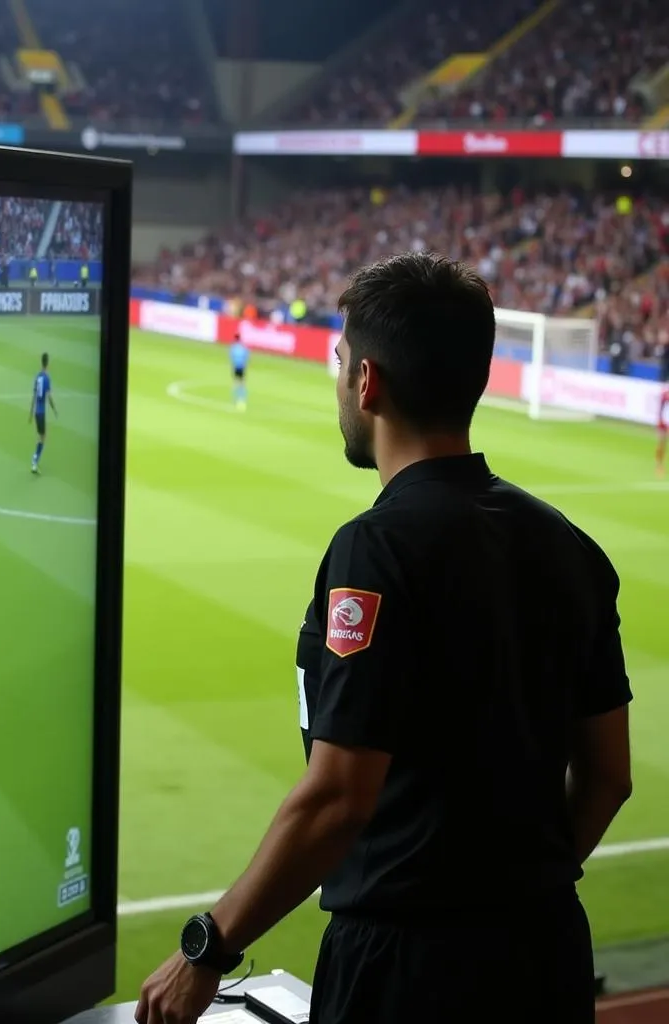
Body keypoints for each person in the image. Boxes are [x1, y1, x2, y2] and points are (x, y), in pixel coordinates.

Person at [135, 252, 633, 1024]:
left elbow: (338, 798)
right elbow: (608, 777)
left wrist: (209, 947)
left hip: (408, 969)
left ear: (367, 383)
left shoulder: (376, 550)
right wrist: (520, 886)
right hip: (547, 954)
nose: (336, 380)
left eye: (338, 361)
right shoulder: (572, 546)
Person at [29, 352, 58, 474]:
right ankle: (34, 461)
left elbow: (34, 396)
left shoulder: (38, 377)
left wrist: (30, 413)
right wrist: (54, 409)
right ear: (48, 363)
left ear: (41, 362)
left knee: (41, 436)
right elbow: (49, 397)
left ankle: (35, 459)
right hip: (41, 413)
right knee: (43, 437)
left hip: (36, 411)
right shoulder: (46, 378)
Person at [229, 332, 249, 410]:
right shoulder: (243, 347)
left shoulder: (233, 347)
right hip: (242, 367)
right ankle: (242, 399)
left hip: (236, 367)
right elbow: (246, 357)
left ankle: (234, 399)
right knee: (242, 383)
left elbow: (231, 357)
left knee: (235, 382)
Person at [656, 384, 669, 476]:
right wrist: (660, 420)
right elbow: (661, 407)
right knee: (661, 443)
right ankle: (659, 465)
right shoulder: (665, 393)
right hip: (664, 421)